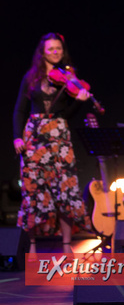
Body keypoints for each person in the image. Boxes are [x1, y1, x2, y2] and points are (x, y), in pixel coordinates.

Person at [13, 33, 93, 254]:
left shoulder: (69, 77)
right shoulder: (30, 78)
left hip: (59, 135)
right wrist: (17, 136)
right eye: (51, 49)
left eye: (59, 48)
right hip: (34, 135)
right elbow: (20, 110)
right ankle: (31, 245)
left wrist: (79, 102)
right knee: (33, 190)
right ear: (42, 52)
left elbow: (66, 114)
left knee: (65, 189)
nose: (55, 52)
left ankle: (67, 245)